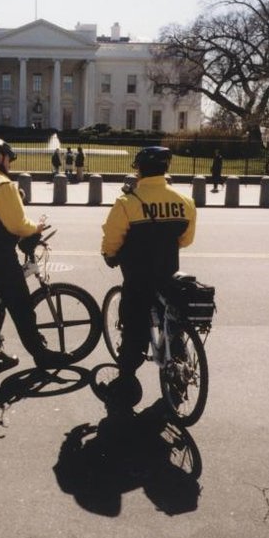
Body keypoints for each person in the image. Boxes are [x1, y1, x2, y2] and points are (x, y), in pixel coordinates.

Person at [99, 146, 197, 415]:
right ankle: (180, 365)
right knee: (172, 318)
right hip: (168, 273)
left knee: (134, 326)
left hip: (138, 277)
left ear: (139, 169)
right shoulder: (183, 201)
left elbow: (112, 238)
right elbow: (186, 240)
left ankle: (126, 377)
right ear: (166, 169)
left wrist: (110, 255)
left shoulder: (128, 202)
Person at [0, 139, 71, 370]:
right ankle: (41, 355)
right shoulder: (2, 184)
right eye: (8, 159)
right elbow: (18, 224)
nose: (10, 164)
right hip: (0, 254)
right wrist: (37, 228)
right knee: (22, 307)